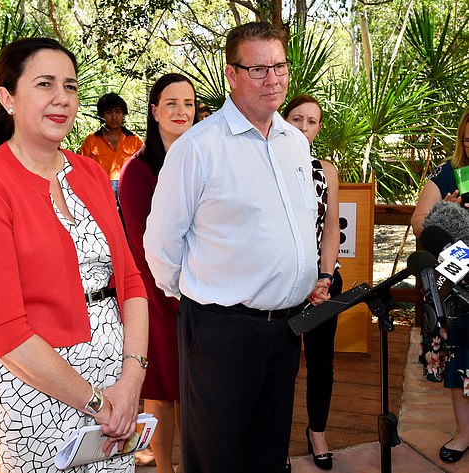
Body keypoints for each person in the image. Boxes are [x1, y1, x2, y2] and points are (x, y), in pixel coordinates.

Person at [0, 38, 149, 472]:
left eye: (71, 86)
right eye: (44, 84)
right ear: (8, 98)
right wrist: (97, 403)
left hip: (116, 382)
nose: (62, 98)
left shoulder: (91, 173)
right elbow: (3, 329)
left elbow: (131, 282)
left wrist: (131, 381)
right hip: (36, 390)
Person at [144, 22, 318, 473]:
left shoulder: (295, 142)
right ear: (230, 74)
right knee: (216, 457)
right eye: (258, 68)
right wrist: (203, 302)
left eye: (278, 66)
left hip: (286, 330)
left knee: (268, 452)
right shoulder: (198, 148)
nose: (273, 78)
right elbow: (161, 245)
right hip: (220, 332)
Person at [119, 73, 197, 473]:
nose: (181, 111)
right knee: (163, 392)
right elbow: (140, 245)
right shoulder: (137, 171)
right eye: (171, 103)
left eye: (188, 103)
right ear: (154, 110)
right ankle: (164, 467)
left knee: (192, 391)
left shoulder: (202, 158)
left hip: (202, 297)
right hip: (157, 297)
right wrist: (174, 293)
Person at [283, 94, 342, 470]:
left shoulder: (328, 170)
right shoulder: (270, 165)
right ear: (284, 120)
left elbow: (331, 228)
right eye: (297, 119)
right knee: (282, 367)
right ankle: (277, 443)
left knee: (321, 363)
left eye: (312, 121)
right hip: (282, 286)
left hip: (322, 284)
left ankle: (317, 432)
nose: (304, 127)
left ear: (319, 128)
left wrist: (324, 276)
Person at [412, 107, 469, 464]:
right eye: (467, 139)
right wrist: (445, 213)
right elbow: (421, 224)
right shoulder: (448, 173)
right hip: (459, 282)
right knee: (462, 355)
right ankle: (464, 434)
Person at [79, 92, 143, 198]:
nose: (114, 117)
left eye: (118, 112)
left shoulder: (135, 141)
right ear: (101, 115)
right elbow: (83, 172)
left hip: (129, 191)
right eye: (108, 112)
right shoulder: (91, 141)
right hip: (99, 193)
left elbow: (142, 171)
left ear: (123, 113)